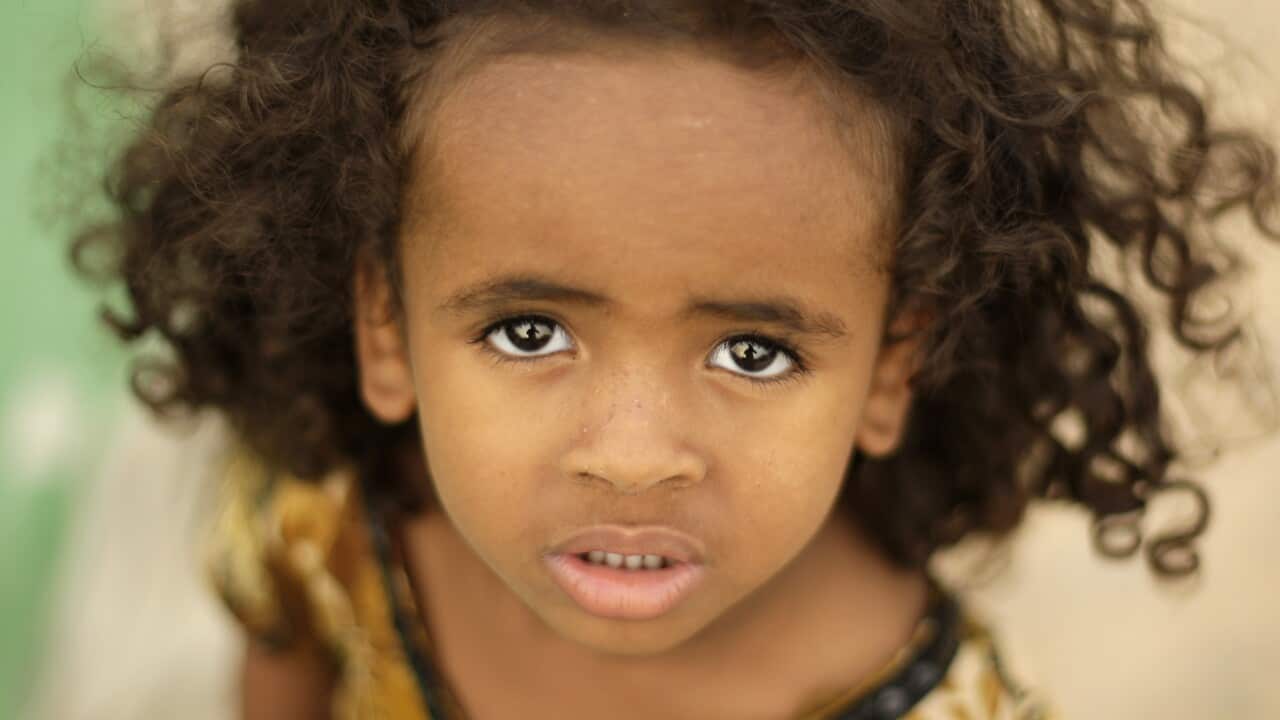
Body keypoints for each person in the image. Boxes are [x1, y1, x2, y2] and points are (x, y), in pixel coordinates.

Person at [70, 0, 1279, 718]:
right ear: (383, 326)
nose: (633, 457)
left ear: (890, 366)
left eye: (752, 351)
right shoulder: (328, 523)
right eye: (528, 331)